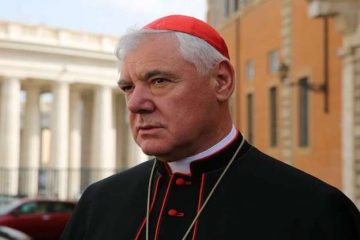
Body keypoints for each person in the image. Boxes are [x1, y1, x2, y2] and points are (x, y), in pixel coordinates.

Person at [61, 15, 360, 240]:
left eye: (159, 81)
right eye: (127, 87)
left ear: (221, 81)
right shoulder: (98, 202)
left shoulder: (316, 211)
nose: (136, 103)